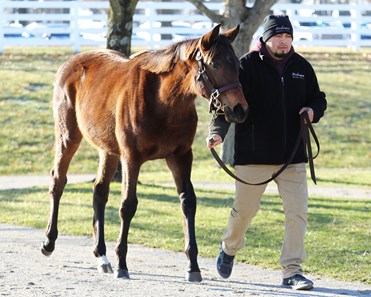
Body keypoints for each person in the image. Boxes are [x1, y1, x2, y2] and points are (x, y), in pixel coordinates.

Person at [207, 15, 327, 290]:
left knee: (297, 212)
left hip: (292, 156)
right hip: (253, 154)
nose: (283, 42)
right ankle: (228, 248)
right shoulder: (246, 66)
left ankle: (292, 271)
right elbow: (225, 103)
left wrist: (312, 111)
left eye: (288, 37)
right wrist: (217, 132)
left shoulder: (302, 67)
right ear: (266, 38)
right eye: (278, 37)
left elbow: (318, 98)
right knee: (244, 212)